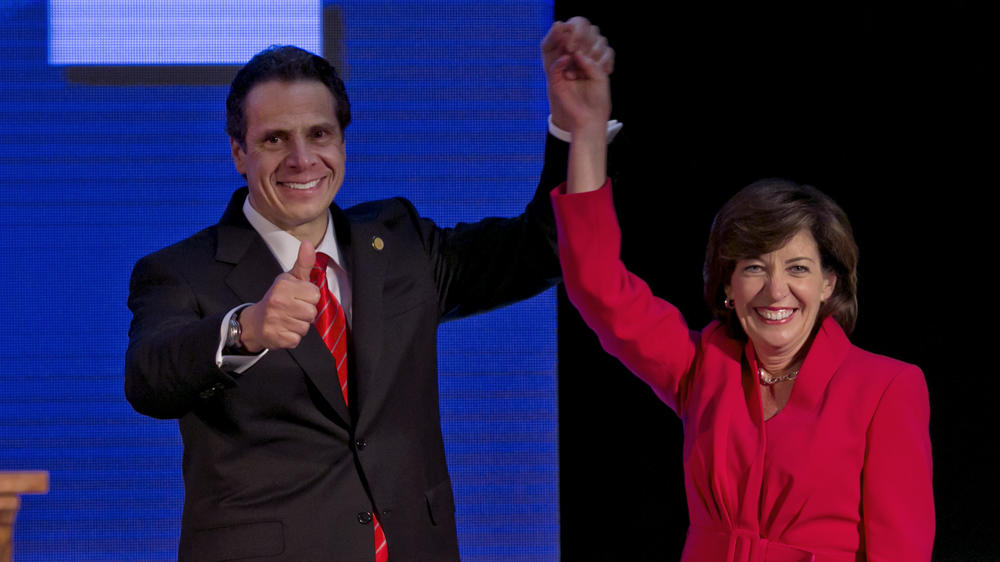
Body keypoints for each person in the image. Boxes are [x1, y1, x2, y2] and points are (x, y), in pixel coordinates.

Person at [125, 19, 614, 561]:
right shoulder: (182, 271)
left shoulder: (399, 243)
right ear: (238, 152)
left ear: (342, 139)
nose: (302, 159)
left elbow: (540, 251)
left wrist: (579, 132)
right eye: (273, 139)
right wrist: (246, 330)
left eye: (319, 134)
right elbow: (148, 379)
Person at [548, 49, 934, 560]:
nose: (776, 291)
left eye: (798, 268)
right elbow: (596, 286)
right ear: (727, 285)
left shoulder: (887, 388)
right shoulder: (704, 367)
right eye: (754, 267)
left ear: (828, 284)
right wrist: (588, 130)